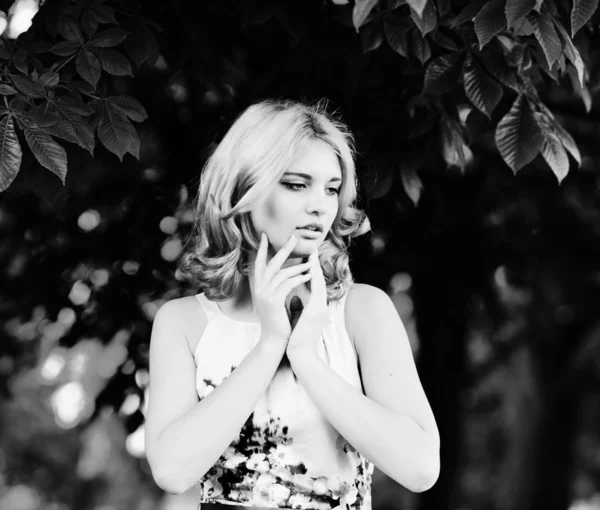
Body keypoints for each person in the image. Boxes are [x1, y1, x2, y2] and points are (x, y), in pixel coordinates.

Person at [144, 99, 440, 510]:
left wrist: (304, 355)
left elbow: (421, 467)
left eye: (332, 188)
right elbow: (173, 472)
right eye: (297, 184)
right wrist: (270, 345)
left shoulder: (363, 311)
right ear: (243, 189)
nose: (320, 205)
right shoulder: (183, 323)